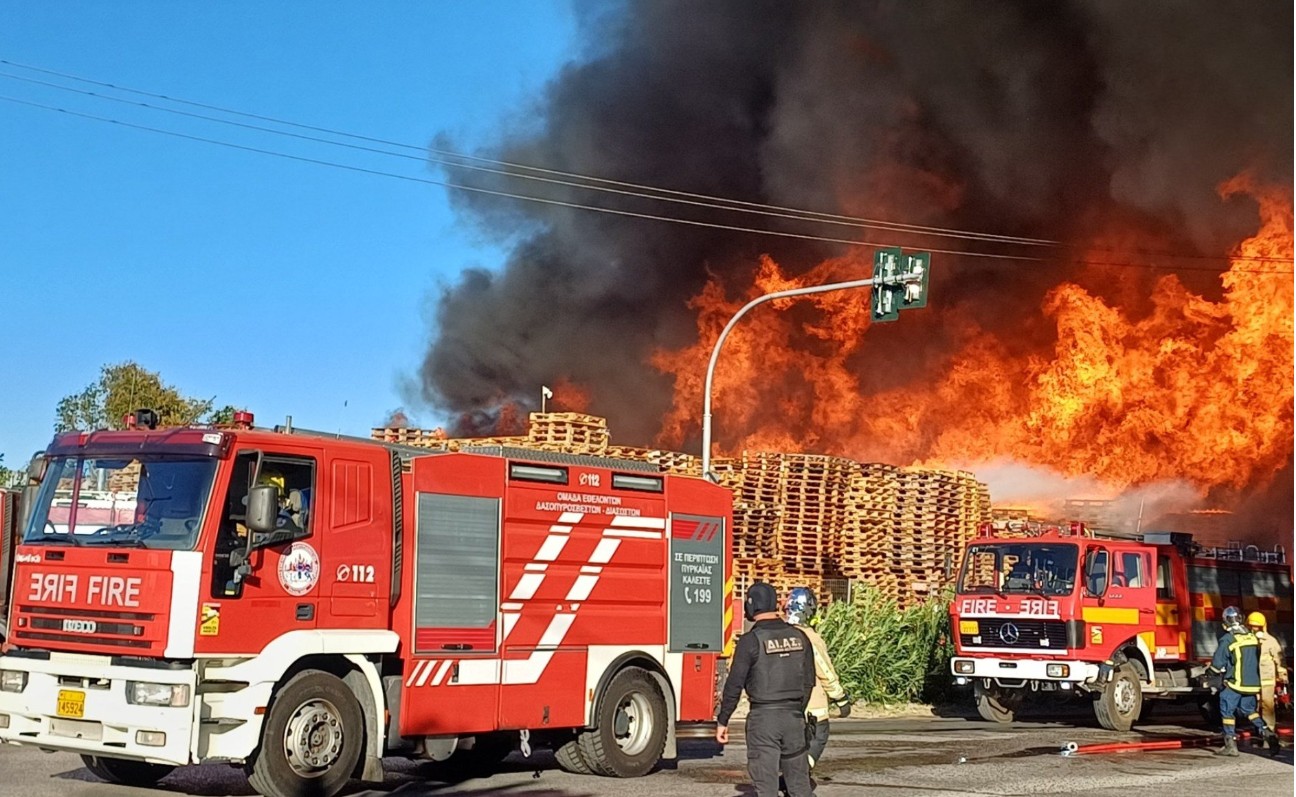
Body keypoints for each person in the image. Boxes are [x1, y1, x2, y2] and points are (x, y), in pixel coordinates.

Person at [716, 581, 816, 797]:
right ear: (774, 604)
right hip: (794, 719)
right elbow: (809, 682)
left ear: (750, 607)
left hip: (764, 720)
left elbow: (734, 685)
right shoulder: (800, 637)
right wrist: (796, 710)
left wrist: (723, 720)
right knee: (800, 786)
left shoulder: (750, 641)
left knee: (766, 787)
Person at [784, 586, 852, 770]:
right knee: (818, 738)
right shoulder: (810, 638)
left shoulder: (781, 636)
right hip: (812, 706)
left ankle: (789, 774)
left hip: (784, 705)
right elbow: (824, 669)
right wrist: (840, 698)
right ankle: (799, 775)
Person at [1203, 605, 1280, 756]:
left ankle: (1230, 744)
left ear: (1226, 621)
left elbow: (1217, 665)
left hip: (1235, 683)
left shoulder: (1228, 639)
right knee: (1250, 711)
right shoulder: (1252, 637)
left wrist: (1208, 673)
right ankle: (1268, 734)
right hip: (1252, 684)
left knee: (1227, 711)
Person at [1248, 611, 1289, 732]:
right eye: (1251, 625)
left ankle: (1269, 731)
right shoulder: (1247, 640)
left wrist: (1282, 674)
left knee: (1267, 705)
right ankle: (1258, 728)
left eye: (1257, 626)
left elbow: (1279, 659)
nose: (1254, 628)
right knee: (1254, 705)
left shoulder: (1271, 641)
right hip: (1252, 678)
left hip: (1266, 678)